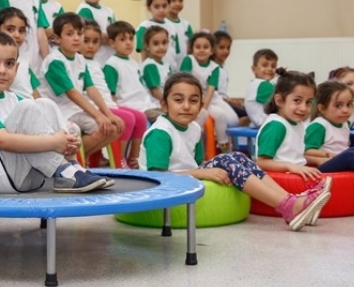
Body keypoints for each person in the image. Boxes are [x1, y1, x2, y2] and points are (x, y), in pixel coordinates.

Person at [140, 72, 331, 231]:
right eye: (178, 100)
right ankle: (288, 205)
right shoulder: (161, 133)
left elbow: (195, 163)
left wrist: (202, 171)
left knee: (238, 157)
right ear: (164, 104)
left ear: (201, 105)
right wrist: (202, 173)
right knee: (226, 162)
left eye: (194, 100)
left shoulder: (194, 128)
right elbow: (158, 176)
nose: (186, 106)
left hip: (187, 179)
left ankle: (289, 202)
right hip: (163, 188)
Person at [255, 69, 354, 217]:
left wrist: (318, 159)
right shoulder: (276, 126)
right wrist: (291, 167)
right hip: (290, 179)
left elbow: (293, 154)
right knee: (351, 156)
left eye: (308, 102)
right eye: (297, 101)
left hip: (300, 173)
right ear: (279, 100)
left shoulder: (294, 123)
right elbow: (261, 162)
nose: (304, 108)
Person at [0, 31, 111, 194]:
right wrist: (54, 142)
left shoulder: (13, 98)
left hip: (28, 174)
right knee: (28, 106)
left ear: (16, 68)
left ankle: (72, 167)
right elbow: (3, 141)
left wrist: (67, 142)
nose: (2, 70)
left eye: (9, 63)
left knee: (45, 104)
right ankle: (64, 171)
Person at [38, 13, 123, 158]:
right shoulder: (54, 61)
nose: (77, 38)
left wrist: (108, 114)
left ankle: (77, 158)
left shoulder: (80, 59)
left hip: (75, 110)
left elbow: (91, 88)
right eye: (70, 34)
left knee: (114, 128)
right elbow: (72, 93)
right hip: (60, 112)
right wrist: (98, 116)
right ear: (57, 39)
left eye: (80, 33)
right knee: (102, 128)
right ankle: (69, 159)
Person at [82, 20, 146, 169]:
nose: (91, 46)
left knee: (141, 118)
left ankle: (134, 159)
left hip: (107, 104)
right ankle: (119, 160)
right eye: (86, 41)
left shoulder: (96, 63)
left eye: (95, 42)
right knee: (128, 118)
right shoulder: (81, 62)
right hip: (93, 106)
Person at [179, 32, 239, 152]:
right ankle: (197, 144)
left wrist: (203, 108)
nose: (201, 50)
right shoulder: (189, 60)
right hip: (192, 98)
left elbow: (211, 90)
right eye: (198, 47)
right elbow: (184, 83)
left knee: (232, 119)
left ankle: (223, 145)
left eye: (205, 47)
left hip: (210, 99)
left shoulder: (215, 67)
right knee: (212, 116)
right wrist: (196, 107)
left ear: (212, 51)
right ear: (192, 49)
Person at [103, 21, 162, 121]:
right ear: (112, 43)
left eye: (131, 38)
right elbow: (110, 95)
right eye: (123, 39)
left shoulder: (134, 63)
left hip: (148, 105)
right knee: (165, 119)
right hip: (132, 107)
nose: (128, 43)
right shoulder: (112, 65)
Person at [0, 7, 41, 99]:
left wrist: (40, 105)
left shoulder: (24, 60)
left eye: (21, 31)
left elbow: (34, 91)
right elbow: (3, 92)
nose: (17, 35)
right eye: (10, 29)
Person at [76, 0, 116, 64]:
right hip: (95, 59)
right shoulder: (84, 9)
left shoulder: (109, 11)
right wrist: (112, 39)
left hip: (110, 58)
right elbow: (92, 34)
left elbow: (116, 33)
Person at [212, 30, 250, 126]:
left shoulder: (224, 69)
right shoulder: (212, 69)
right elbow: (215, 94)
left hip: (223, 101)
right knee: (246, 116)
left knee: (248, 112)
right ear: (213, 48)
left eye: (228, 48)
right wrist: (230, 102)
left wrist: (231, 100)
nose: (226, 51)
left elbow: (222, 92)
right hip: (217, 103)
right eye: (221, 48)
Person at [135, 0, 178, 69]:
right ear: (149, 8)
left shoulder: (172, 26)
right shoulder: (144, 27)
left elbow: (174, 51)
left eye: (164, 6)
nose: (161, 10)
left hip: (170, 70)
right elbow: (144, 55)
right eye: (156, 7)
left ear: (169, 6)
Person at [139, 25, 173, 104]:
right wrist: (168, 102)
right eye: (156, 44)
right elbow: (155, 91)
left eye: (164, 43)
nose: (161, 47)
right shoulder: (150, 65)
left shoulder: (167, 64)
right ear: (147, 46)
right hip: (153, 104)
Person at [244, 48, 278, 128]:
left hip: (257, 122)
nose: (270, 69)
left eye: (273, 66)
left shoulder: (255, 83)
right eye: (265, 65)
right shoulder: (263, 85)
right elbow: (280, 103)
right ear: (254, 69)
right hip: (266, 122)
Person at [163, 0, 194, 67]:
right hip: (165, 68)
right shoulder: (161, 24)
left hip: (183, 69)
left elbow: (192, 49)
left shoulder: (186, 25)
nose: (178, 4)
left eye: (180, 0)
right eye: (173, 0)